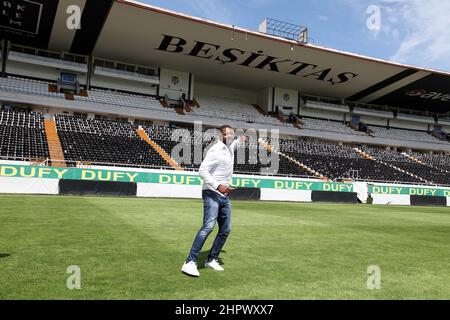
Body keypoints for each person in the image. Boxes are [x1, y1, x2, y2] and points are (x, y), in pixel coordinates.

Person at [181, 125, 247, 277]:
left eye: (232, 133)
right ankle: (189, 262)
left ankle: (211, 259)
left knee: (226, 229)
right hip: (212, 192)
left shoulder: (229, 147)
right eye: (226, 134)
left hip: (224, 195)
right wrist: (218, 186)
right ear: (220, 136)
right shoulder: (216, 150)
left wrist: (241, 139)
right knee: (208, 227)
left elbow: (234, 144)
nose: (230, 136)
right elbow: (202, 171)